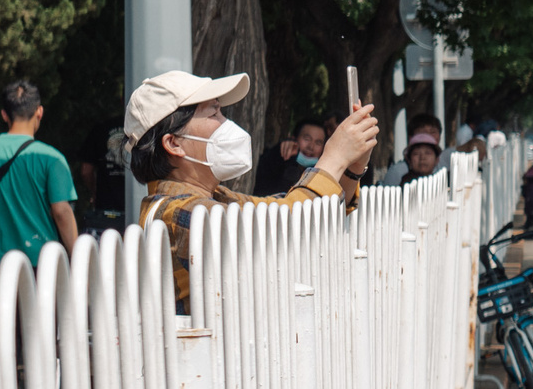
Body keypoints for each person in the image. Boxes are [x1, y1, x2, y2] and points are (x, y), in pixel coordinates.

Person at [130, 70, 382, 309]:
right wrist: (334, 157)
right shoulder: (178, 213)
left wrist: (351, 167)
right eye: (213, 113)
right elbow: (289, 227)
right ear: (174, 143)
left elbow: (301, 211)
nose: (225, 123)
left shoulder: (215, 199)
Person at [0, 83, 81, 272]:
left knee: (0, 302)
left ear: (4, 114)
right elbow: (61, 211)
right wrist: (77, 256)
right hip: (42, 258)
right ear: (39, 112)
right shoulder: (52, 158)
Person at [258, 117, 330, 196]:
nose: (311, 147)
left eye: (318, 143)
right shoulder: (275, 160)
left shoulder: (323, 176)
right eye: (307, 139)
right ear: (294, 139)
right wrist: (278, 152)